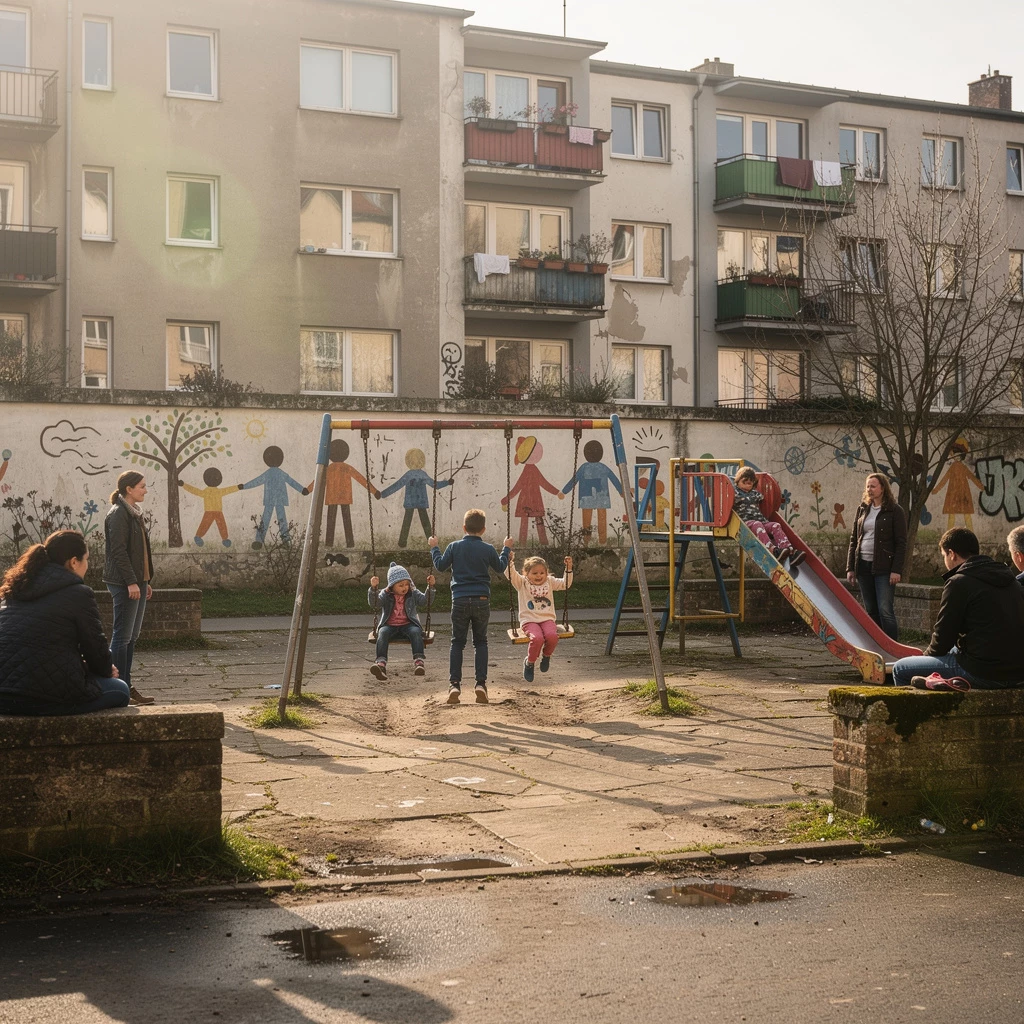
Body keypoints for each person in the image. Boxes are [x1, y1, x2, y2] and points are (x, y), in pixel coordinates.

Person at [0, 530, 130, 716]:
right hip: (41, 699)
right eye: (86, 559)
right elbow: (97, 653)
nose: (87, 565)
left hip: (3, 695)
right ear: (74, 562)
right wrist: (106, 668)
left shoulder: (15, 589)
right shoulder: (78, 593)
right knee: (120, 689)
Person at [892, 528, 1024, 690]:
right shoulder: (1011, 580)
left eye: (944, 556)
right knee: (955, 650)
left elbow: (942, 641)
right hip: (1017, 671)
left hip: (983, 671)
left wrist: (927, 659)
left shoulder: (959, 582)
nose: (945, 561)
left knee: (901, 668)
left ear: (952, 553)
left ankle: (925, 712)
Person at [429, 509, 512, 706]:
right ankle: (480, 685)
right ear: (483, 529)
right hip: (482, 599)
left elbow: (440, 566)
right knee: (480, 642)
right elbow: (500, 568)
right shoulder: (488, 548)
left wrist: (434, 547)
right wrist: (506, 549)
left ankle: (455, 685)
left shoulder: (454, 547)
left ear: (464, 527)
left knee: (457, 642)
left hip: (459, 599)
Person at [103, 470, 156, 705]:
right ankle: (116, 687)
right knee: (121, 637)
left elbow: (139, 552)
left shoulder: (134, 513)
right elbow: (118, 552)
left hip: (138, 581)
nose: (145, 490)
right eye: (142, 486)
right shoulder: (118, 514)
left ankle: (125, 684)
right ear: (129, 489)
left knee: (131, 637)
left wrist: (145, 580)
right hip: (124, 582)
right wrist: (131, 582)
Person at [845, 472, 907, 641]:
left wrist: (896, 570)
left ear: (882, 488)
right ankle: (876, 645)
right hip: (863, 566)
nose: (869, 489)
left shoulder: (895, 510)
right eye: (867, 486)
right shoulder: (862, 509)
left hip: (884, 568)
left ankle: (893, 647)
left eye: (873, 486)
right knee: (871, 610)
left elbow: (901, 543)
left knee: (885, 610)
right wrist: (851, 567)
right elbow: (853, 539)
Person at [507, 553, 573, 682]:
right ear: (526, 573)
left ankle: (546, 656)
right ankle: (530, 663)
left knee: (552, 636)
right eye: (535, 573)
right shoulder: (521, 583)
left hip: (547, 619)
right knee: (537, 639)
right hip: (529, 620)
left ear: (546, 573)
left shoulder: (550, 581)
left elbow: (565, 584)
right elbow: (511, 574)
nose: (539, 576)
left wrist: (568, 568)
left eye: (542, 573)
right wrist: (509, 562)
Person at [368, 562, 435, 681]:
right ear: (392, 585)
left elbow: (425, 601)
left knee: (416, 632)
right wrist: (373, 589)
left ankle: (419, 662)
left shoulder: (413, 593)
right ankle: (381, 663)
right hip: (389, 625)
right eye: (401, 585)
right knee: (382, 633)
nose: (404, 587)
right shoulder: (385, 594)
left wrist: (430, 587)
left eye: (406, 584)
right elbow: (375, 604)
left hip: (408, 624)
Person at [733, 467, 805, 572]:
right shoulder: (735, 492)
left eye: (751, 481)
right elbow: (727, 498)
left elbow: (769, 495)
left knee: (775, 525)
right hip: (745, 523)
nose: (748, 482)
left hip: (761, 521)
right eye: (745, 480)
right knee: (757, 524)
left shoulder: (755, 493)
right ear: (738, 480)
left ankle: (790, 552)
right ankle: (772, 550)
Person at [179, 467, 242, 548]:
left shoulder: (209, 491)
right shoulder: (216, 491)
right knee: (217, 524)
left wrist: (184, 485)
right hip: (215, 511)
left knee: (213, 524)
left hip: (213, 511)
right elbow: (228, 490)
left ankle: (203, 537)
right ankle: (222, 539)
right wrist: (237, 487)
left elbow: (195, 491)